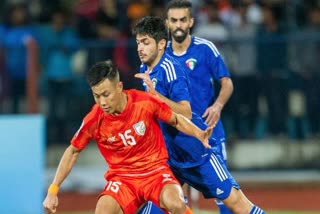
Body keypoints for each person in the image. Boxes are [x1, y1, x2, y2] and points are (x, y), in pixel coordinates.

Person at [42, 59, 215, 214]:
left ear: (119, 87)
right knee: (103, 211)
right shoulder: (94, 119)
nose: (102, 102)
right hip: (122, 179)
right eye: (97, 96)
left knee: (176, 203)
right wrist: (53, 190)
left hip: (155, 172)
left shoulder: (144, 102)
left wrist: (199, 133)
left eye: (106, 94)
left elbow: (176, 120)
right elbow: (73, 151)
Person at [132, 16, 265, 214]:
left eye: (145, 42)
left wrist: (155, 97)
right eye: (138, 43)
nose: (140, 48)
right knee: (153, 209)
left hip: (197, 154)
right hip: (171, 158)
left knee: (237, 204)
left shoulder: (171, 70)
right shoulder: (145, 69)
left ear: (161, 44)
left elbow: (184, 110)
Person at [164, 0, 233, 213]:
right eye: (173, 20)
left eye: (182, 20)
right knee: (174, 195)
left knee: (225, 193)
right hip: (176, 135)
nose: (178, 25)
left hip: (208, 129)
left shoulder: (205, 48)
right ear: (167, 23)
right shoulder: (161, 55)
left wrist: (218, 105)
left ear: (191, 22)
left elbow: (227, 82)